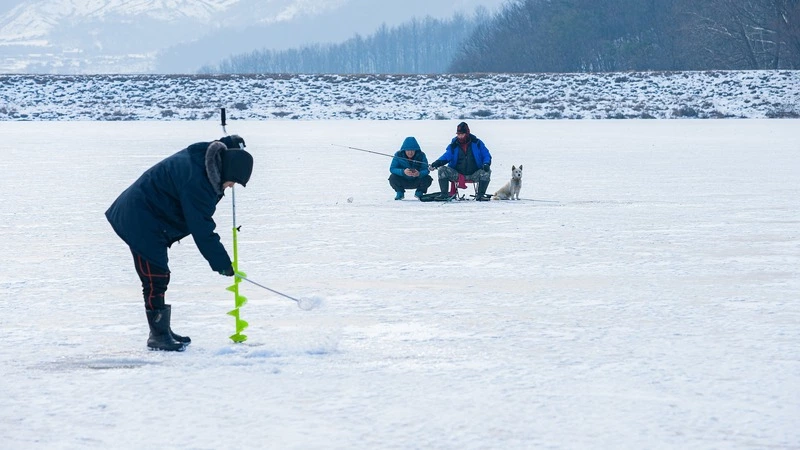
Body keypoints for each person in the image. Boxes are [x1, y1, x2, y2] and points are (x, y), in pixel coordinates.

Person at [105, 135, 254, 351]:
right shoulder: (198, 181)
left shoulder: (206, 161)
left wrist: (230, 143)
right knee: (155, 277)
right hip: (139, 217)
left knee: (158, 276)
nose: (230, 187)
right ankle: (158, 336)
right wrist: (222, 263)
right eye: (233, 182)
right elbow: (201, 228)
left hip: (152, 216)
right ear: (227, 171)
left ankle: (162, 331)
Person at [429, 122, 492, 201]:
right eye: (458, 134)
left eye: (462, 134)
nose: (460, 136)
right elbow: (446, 156)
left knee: (487, 171)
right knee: (442, 170)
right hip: (457, 174)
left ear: (467, 133)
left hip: (474, 174)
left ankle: (480, 195)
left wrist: (486, 163)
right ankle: (444, 195)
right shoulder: (453, 145)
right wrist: (436, 163)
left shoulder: (477, 143)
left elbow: (486, 155)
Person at [388, 136, 433, 200]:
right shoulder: (398, 155)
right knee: (392, 177)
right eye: (408, 150)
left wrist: (419, 173)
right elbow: (392, 169)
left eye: (412, 150)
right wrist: (403, 172)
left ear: (416, 150)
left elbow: (426, 169)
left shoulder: (421, 155)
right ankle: (400, 192)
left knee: (427, 178)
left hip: (417, 180)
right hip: (403, 179)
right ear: (404, 150)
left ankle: (419, 192)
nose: (410, 152)